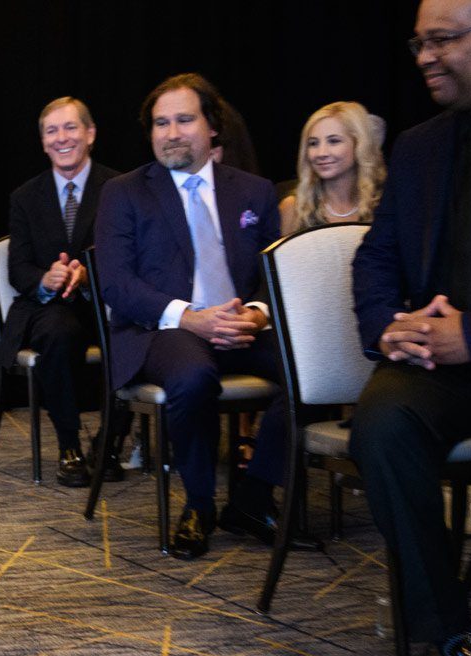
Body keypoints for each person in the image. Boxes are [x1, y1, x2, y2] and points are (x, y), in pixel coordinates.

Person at [349, 0, 471, 656]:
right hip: (432, 366)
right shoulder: (419, 147)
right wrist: (389, 325)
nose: (424, 56)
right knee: (383, 423)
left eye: (442, 40)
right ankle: (449, 628)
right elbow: (374, 259)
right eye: (418, 42)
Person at [95, 73, 284, 559]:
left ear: (213, 127)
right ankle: (199, 504)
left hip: (240, 324)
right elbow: (117, 284)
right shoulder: (125, 192)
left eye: (183, 119)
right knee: (194, 377)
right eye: (161, 123)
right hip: (162, 328)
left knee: (315, 372)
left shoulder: (255, 192)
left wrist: (259, 314)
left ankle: (253, 497)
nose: (171, 133)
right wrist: (189, 317)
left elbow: (272, 274)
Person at [3, 97, 124, 486]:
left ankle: (109, 444)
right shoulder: (25, 197)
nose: (61, 138)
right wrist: (45, 279)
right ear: (42, 142)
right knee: (58, 331)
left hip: (106, 301)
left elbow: (132, 256)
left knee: (134, 333)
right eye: (51, 131)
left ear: (90, 134)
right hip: (52, 309)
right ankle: (69, 446)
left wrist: (89, 275)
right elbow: (17, 267)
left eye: (70, 127)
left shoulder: (120, 188)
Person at [280, 101, 387, 235]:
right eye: (313, 143)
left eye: (334, 141)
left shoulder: (384, 204)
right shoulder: (293, 209)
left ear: (359, 145)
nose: (321, 153)